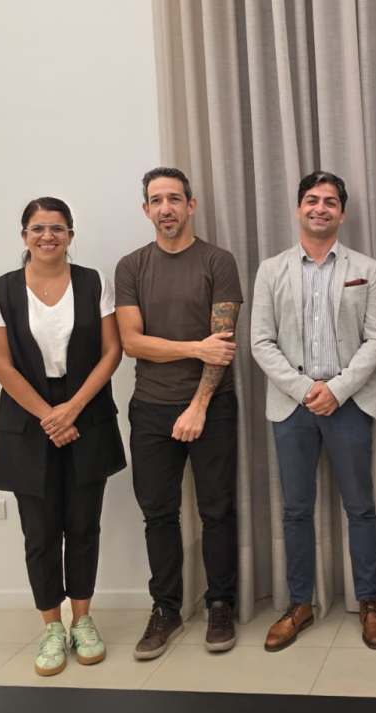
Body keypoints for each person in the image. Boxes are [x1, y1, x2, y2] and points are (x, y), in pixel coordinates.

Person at [0, 197, 126, 676]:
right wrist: (50, 415)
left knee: (83, 524)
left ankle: (82, 621)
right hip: (28, 418)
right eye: (39, 228)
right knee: (40, 532)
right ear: (24, 235)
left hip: (87, 411)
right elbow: (0, 363)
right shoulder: (2, 289)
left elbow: (111, 351)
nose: (48, 236)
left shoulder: (93, 282)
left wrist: (72, 408)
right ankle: (51, 627)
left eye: (58, 228)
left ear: (70, 235)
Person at [251, 171, 376, 651]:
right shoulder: (271, 269)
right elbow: (260, 341)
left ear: (342, 213)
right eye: (312, 200)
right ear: (298, 209)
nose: (320, 208)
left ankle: (369, 602)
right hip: (292, 406)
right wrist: (304, 389)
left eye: (330, 201)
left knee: (360, 507)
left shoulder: (366, 268)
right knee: (295, 510)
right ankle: (299, 604)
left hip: (349, 402)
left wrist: (337, 389)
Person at [115, 167, 243, 659]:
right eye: (156, 200)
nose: (165, 208)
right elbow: (132, 342)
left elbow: (223, 345)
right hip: (149, 408)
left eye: (174, 198)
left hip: (212, 407)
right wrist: (194, 347)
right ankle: (165, 609)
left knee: (217, 511)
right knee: (158, 515)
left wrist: (198, 406)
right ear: (145, 210)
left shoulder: (218, 261)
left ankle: (220, 605)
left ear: (191, 205)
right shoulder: (131, 267)